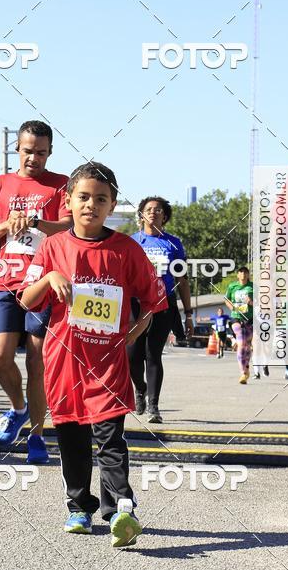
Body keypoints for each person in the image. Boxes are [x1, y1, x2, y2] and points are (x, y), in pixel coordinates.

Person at [19, 162, 167, 547]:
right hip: (65, 361)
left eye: (100, 199)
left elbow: (152, 302)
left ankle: (121, 508)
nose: (91, 205)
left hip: (108, 363)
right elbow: (25, 299)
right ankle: (79, 506)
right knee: (72, 437)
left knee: (111, 437)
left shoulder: (127, 250)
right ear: (68, 202)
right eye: (83, 197)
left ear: (113, 204)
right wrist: (50, 278)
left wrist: (130, 336)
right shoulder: (53, 246)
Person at [0, 120, 72, 465]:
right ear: (17, 149)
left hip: (43, 282)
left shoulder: (60, 185)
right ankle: (19, 409)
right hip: (7, 282)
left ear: (50, 152)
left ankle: (37, 437)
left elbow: (69, 227)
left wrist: (35, 222)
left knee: (37, 363)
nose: (35, 158)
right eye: (29, 151)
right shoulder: (0, 184)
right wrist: (7, 224)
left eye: (42, 153)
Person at [128, 196, 193, 423]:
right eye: (148, 209)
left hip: (163, 303)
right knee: (132, 355)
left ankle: (154, 407)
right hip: (135, 304)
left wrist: (189, 313)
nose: (153, 213)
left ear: (164, 216)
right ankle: (140, 389)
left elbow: (182, 280)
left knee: (152, 354)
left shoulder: (173, 244)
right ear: (142, 214)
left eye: (158, 210)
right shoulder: (132, 242)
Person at [225, 267, 256, 384]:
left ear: (248, 275)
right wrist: (231, 307)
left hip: (249, 319)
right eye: (241, 272)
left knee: (247, 346)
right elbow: (226, 299)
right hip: (236, 317)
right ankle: (242, 372)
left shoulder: (253, 287)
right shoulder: (232, 286)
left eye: (245, 273)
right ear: (238, 275)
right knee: (241, 343)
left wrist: (251, 302)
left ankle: (246, 368)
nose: (243, 275)